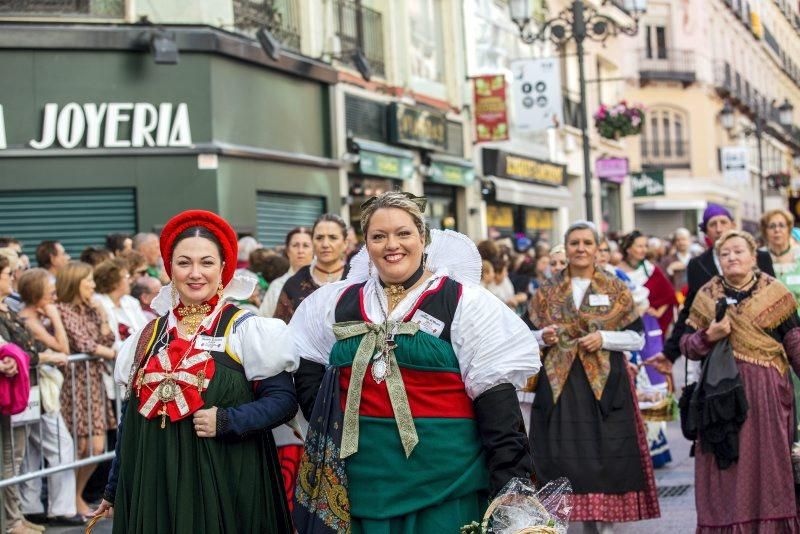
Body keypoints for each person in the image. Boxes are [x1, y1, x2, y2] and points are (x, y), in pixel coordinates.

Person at [291, 191, 539, 532]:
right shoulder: (335, 302)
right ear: (366, 244)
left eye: (403, 233)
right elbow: (307, 370)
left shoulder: (464, 302)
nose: (392, 245)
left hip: (445, 488)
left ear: (423, 238)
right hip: (357, 488)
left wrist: (511, 489)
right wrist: (330, 438)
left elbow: (499, 408)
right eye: (379, 236)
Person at [93, 210, 297, 533]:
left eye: (206, 262)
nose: (195, 273)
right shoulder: (148, 336)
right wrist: (114, 486)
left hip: (227, 482)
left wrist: (229, 420)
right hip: (155, 485)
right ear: (169, 268)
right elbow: (130, 417)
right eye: (184, 262)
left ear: (223, 268)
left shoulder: (245, 330)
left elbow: (284, 401)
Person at [529, 221, 659, 533]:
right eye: (574, 243)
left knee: (607, 455)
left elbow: (637, 337)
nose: (581, 249)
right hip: (559, 384)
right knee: (563, 456)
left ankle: (604, 524)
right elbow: (523, 333)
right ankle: (566, 522)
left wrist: (604, 338)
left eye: (587, 243)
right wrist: (542, 336)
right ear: (565, 246)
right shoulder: (546, 292)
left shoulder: (615, 289)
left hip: (606, 384)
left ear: (598, 248)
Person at [680, 230, 800, 532]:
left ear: (753, 255)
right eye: (725, 254)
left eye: (738, 251)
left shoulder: (776, 292)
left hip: (767, 396)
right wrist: (710, 335)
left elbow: (795, 342)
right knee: (724, 469)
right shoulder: (707, 296)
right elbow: (687, 346)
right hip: (719, 400)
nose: (732, 257)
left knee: (769, 467)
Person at [651, 203, 774, 374]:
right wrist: (669, 354)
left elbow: (774, 301)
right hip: (717, 353)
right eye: (712, 224)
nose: (719, 229)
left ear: (733, 225)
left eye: (723, 222)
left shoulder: (760, 257)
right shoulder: (698, 264)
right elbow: (690, 312)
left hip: (759, 350)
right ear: (706, 231)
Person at [0, 254, 68, 534]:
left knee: (14, 458)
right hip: (9, 393)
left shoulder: (7, 309)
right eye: (8, 273)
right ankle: (11, 521)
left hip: (21, 393)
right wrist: (44, 357)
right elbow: (17, 351)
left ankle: (15, 516)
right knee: (9, 460)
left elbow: (22, 349)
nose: (13, 278)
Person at [16, 269, 82, 527]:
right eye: (50, 290)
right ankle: (62, 508)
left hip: (37, 392)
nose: (55, 295)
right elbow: (63, 348)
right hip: (38, 394)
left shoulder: (28, 316)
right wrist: (55, 317)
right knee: (62, 445)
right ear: (37, 292)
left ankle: (32, 505)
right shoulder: (30, 320)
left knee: (32, 451)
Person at [56, 261, 117, 517]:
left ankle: (77, 494)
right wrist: (112, 354)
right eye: (88, 280)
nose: (93, 285)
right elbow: (85, 344)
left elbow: (106, 338)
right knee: (80, 446)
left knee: (97, 445)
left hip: (94, 381)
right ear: (74, 282)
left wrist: (102, 316)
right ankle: (73, 498)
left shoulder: (91, 308)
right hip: (74, 383)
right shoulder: (63, 309)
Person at [274, 215, 348, 323]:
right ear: (312, 242)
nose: (325, 244)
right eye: (319, 238)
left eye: (333, 237)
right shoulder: (294, 283)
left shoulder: (358, 280)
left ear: (345, 243)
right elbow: (280, 329)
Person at [259, 227, 312, 318]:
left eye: (306, 246)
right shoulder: (277, 285)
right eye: (295, 245)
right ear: (287, 251)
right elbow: (263, 319)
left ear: (314, 249)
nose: (300, 251)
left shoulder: (324, 282)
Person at [659, 228, 696, 301]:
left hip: (695, 298)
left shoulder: (697, 258)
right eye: (678, 240)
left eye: (683, 239)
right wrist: (669, 270)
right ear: (675, 242)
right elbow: (661, 283)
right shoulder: (667, 260)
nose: (681, 242)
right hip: (676, 298)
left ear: (689, 240)